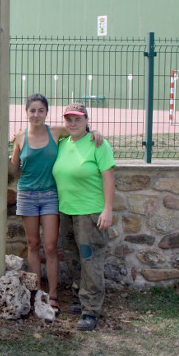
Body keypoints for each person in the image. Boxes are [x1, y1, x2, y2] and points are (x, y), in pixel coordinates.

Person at [9, 94, 103, 316]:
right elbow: (13, 169)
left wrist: (95, 132)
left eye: (40, 110)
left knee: (50, 247)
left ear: (46, 112)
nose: (36, 114)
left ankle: (52, 295)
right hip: (27, 196)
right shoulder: (20, 137)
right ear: (26, 112)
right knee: (33, 245)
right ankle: (36, 293)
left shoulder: (56, 133)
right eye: (32, 110)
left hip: (50, 195)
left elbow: (79, 131)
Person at [52, 102, 115, 331]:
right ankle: (81, 296)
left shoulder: (98, 144)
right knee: (73, 257)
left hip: (90, 212)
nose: (73, 123)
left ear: (87, 120)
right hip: (67, 210)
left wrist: (107, 209)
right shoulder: (63, 143)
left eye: (78, 119)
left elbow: (108, 177)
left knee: (91, 259)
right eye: (69, 119)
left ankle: (91, 310)